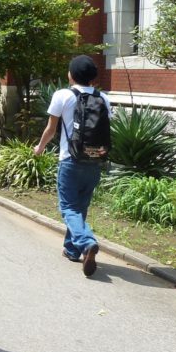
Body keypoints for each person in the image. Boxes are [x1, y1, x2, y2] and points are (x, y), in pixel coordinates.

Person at [33, 54, 113, 277]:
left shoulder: (63, 95)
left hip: (70, 159)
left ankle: (87, 243)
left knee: (68, 207)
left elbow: (51, 129)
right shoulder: (103, 99)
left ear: (71, 74)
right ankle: (71, 249)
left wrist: (39, 148)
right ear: (93, 77)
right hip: (94, 161)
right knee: (81, 207)